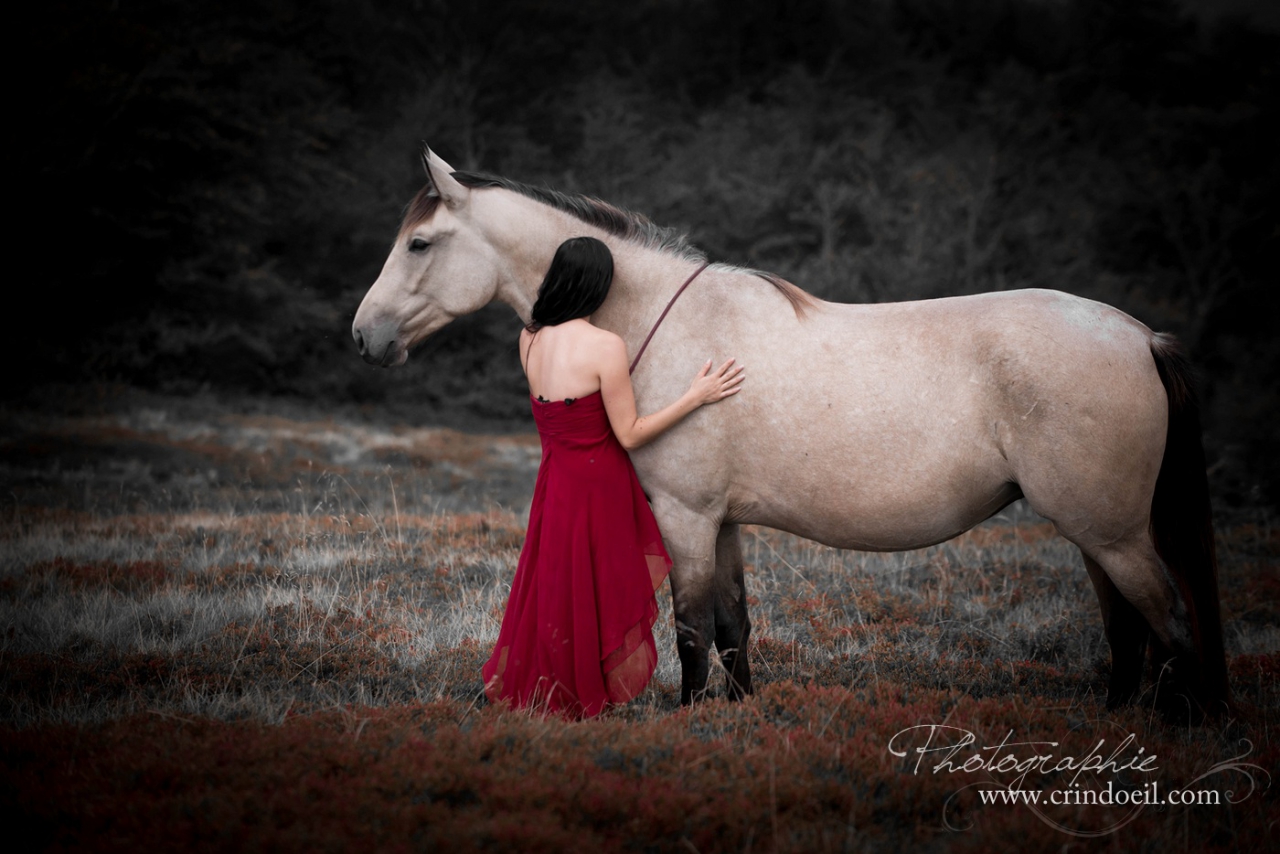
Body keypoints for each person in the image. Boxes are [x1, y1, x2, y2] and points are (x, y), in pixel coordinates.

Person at [481, 236, 745, 718]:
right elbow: (630, 433)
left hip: (554, 482)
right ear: (599, 286)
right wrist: (696, 396)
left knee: (557, 586)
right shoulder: (605, 346)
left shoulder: (529, 338)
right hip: (598, 484)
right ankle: (584, 691)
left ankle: (551, 687)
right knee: (594, 591)